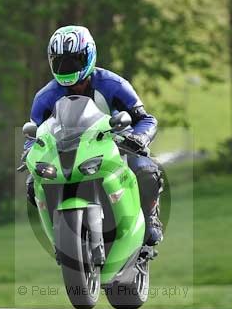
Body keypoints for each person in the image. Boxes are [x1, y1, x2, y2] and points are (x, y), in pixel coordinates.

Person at [24, 25, 163, 246]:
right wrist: (29, 153)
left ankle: (151, 218)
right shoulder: (45, 96)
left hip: (114, 146)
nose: (66, 68)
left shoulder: (114, 84)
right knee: (33, 185)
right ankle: (61, 239)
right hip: (65, 152)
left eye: (73, 61)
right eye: (59, 62)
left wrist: (139, 139)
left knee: (145, 169)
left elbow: (146, 119)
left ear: (89, 55)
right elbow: (32, 135)